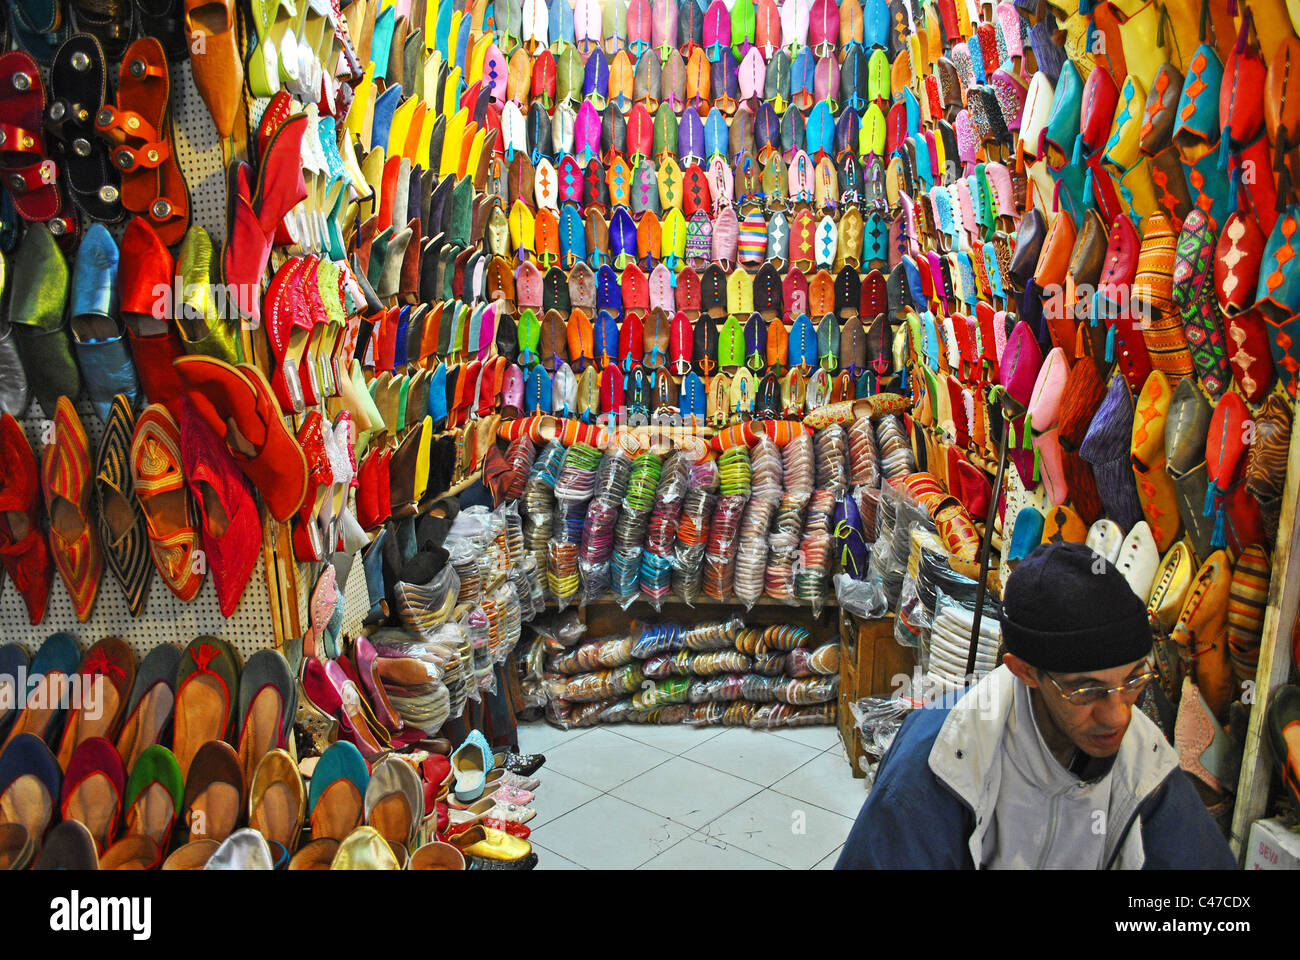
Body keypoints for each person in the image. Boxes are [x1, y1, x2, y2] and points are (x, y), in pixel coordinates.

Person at [836, 541, 1236, 869]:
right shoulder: (943, 758)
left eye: (1132, 680)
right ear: (1025, 672)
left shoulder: (1143, 760)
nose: (1118, 715)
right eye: (1086, 690)